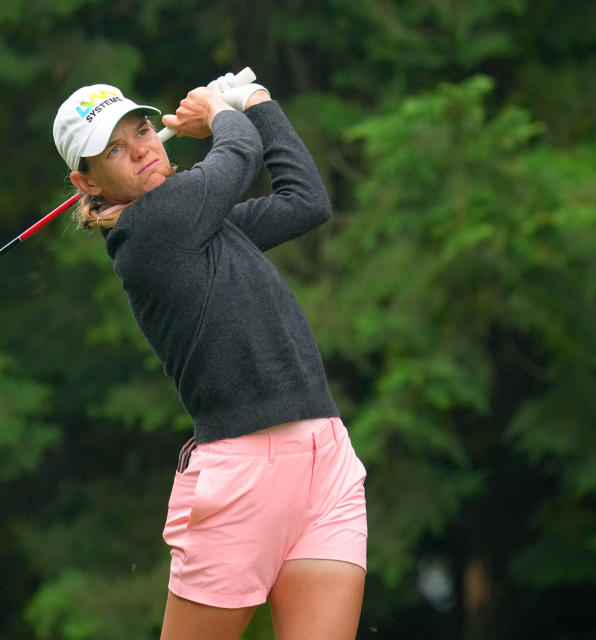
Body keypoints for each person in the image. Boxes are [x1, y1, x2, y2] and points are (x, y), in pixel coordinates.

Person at [52, 75, 367, 640]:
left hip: (326, 455)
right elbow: (240, 152)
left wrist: (259, 103)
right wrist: (221, 110)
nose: (143, 148)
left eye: (142, 130)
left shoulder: (205, 228)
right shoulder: (150, 231)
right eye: (115, 150)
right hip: (243, 474)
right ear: (86, 181)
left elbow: (307, 202)